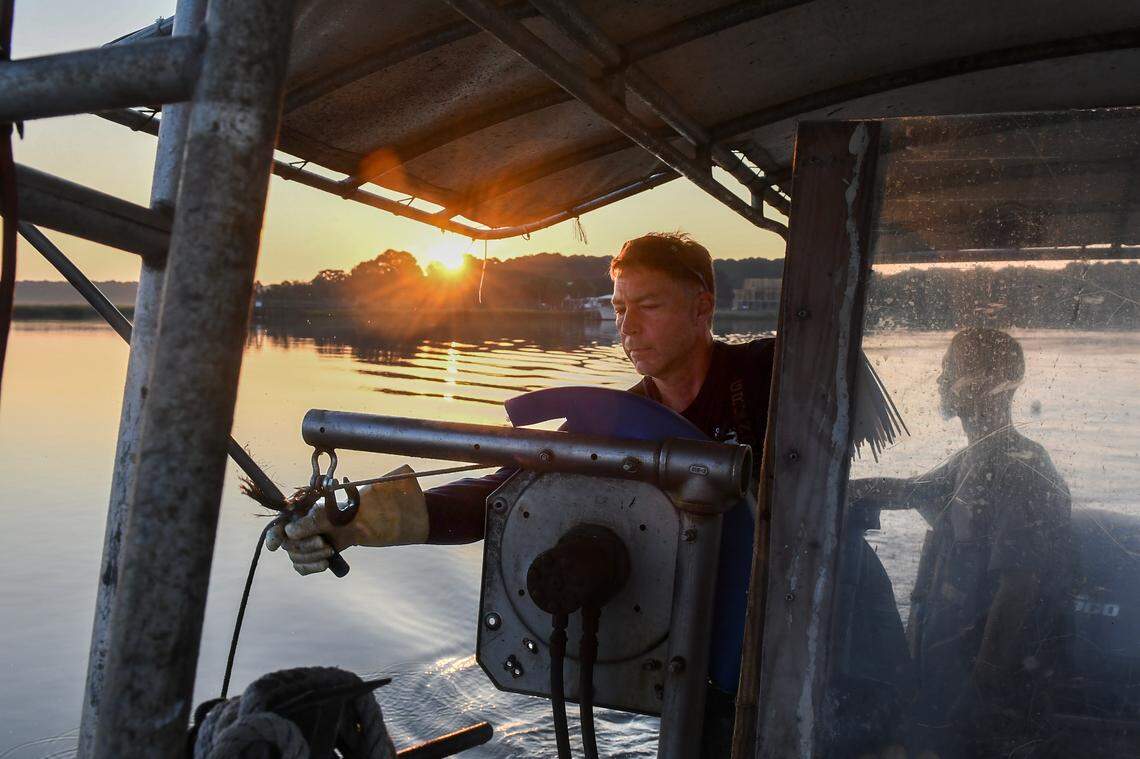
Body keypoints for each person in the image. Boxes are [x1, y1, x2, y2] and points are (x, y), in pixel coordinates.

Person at [267, 231, 776, 756]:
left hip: (786, 616)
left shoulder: (774, 374)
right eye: (620, 307)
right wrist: (358, 521)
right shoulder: (617, 424)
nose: (628, 325)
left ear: (703, 307)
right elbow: (506, 493)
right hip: (694, 650)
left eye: (648, 306)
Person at [849, 328, 1072, 757]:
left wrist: (975, 700)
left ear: (989, 381)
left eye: (950, 370)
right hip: (949, 687)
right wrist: (829, 489)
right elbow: (904, 490)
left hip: (991, 708)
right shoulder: (974, 460)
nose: (939, 381)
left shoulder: (1020, 469)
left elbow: (1017, 593)